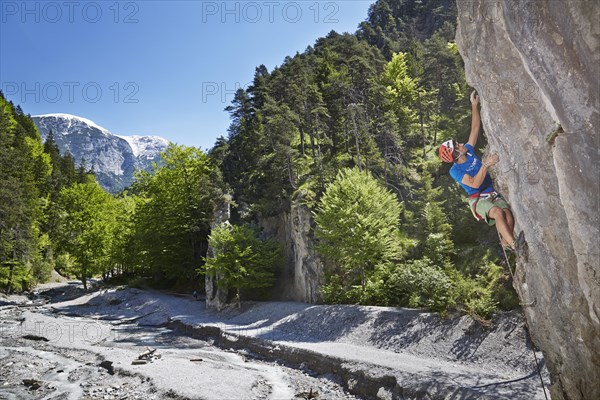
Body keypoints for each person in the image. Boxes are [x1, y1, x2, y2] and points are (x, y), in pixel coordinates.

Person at [439, 91, 522, 251]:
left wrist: (474, 105)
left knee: (508, 218)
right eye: (458, 145)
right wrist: (485, 165)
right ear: (456, 154)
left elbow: (475, 129)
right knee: (497, 213)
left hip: (490, 192)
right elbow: (474, 184)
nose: (462, 144)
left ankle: (506, 243)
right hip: (477, 199)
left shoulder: (468, 151)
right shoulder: (455, 170)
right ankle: (515, 245)